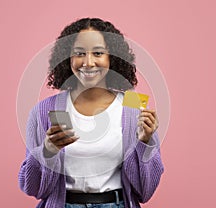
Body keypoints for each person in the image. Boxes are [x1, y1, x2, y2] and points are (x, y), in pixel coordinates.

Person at [18, 17, 164, 208]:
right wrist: (47, 151)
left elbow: (146, 191)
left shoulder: (133, 106)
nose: (88, 62)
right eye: (79, 53)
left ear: (112, 57)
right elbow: (32, 188)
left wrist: (145, 143)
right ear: (66, 58)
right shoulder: (44, 111)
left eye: (98, 53)